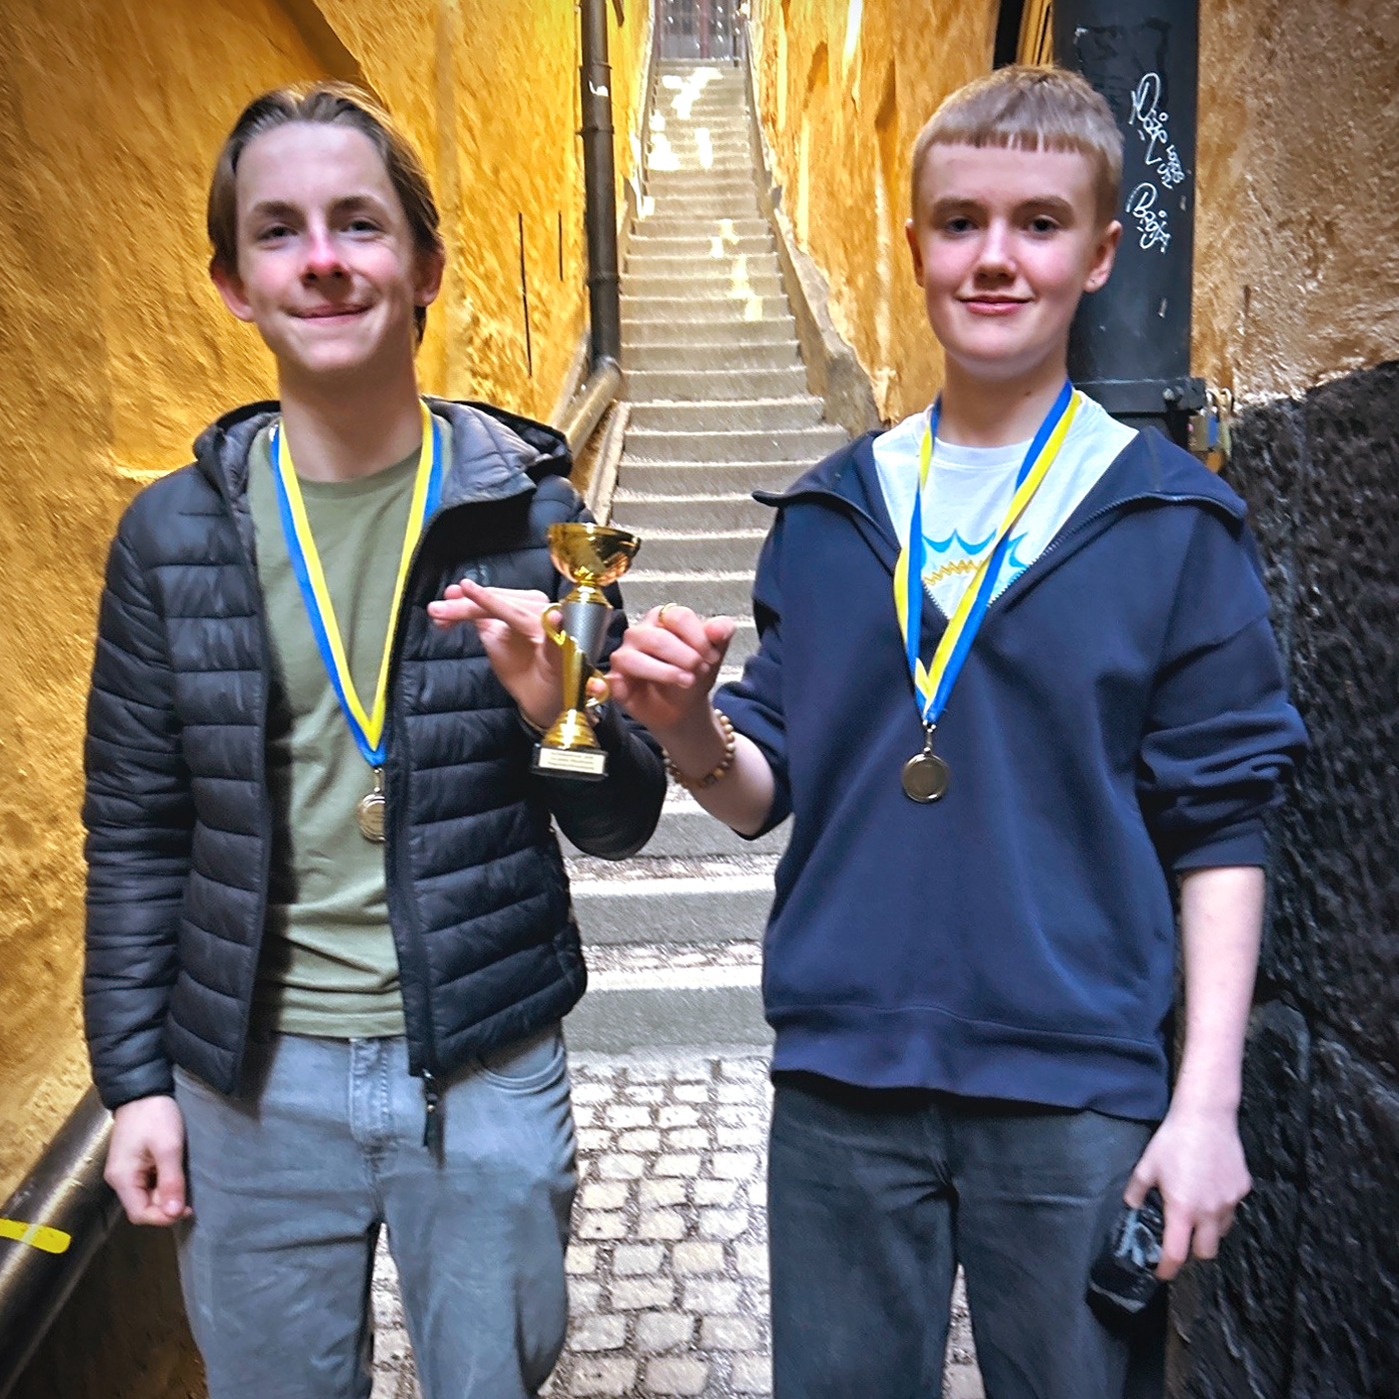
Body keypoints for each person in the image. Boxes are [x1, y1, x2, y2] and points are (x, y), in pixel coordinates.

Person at [606, 65, 1306, 1399]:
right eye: (959, 221)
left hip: (1074, 1091)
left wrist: (1205, 1103)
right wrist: (689, 724)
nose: (995, 257)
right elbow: (758, 790)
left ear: (1099, 254)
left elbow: (1223, 827)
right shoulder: (830, 516)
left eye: (1039, 223)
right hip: (843, 1081)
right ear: (915, 242)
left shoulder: (1172, 521)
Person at [82, 81, 663, 1399]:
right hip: (247, 1084)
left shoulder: (535, 520)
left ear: (425, 267)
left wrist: (554, 712)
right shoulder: (171, 538)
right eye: (278, 231)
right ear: (233, 283)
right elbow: (136, 832)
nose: (324, 259)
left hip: (483, 1066)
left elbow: (619, 819)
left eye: (359, 222)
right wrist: (135, 1086)